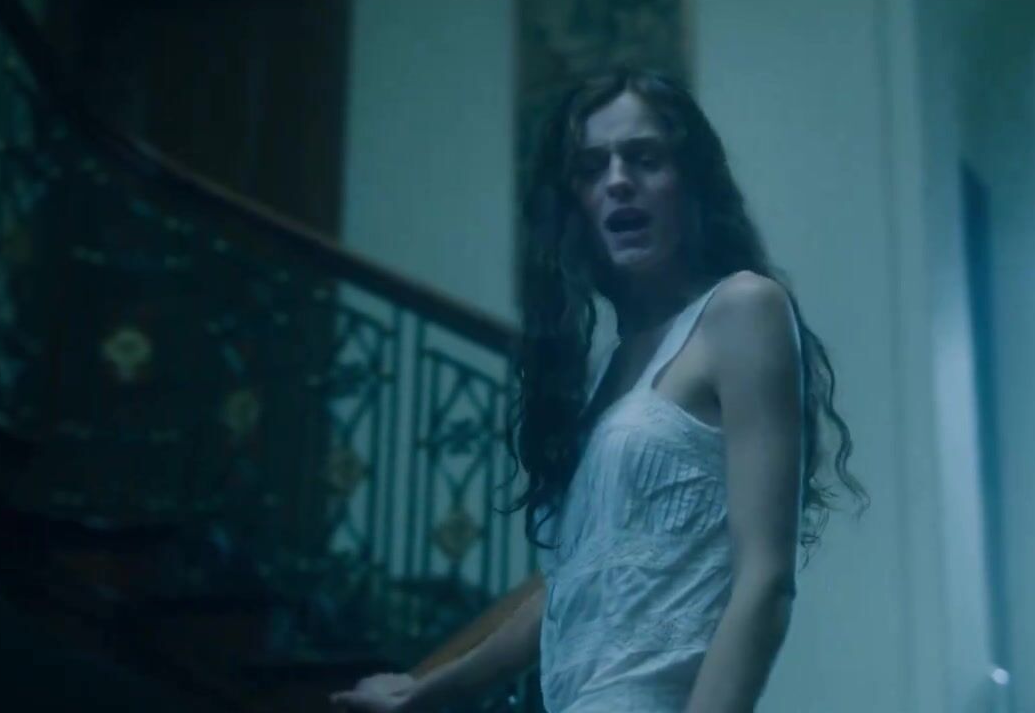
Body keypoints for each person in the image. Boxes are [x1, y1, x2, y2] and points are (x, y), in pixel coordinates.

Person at [331, 68, 867, 713]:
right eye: (591, 168)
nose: (617, 181)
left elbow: (765, 579)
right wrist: (427, 690)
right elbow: (572, 586)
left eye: (645, 159)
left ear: (691, 181)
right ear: (575, 203)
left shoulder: (743, 309)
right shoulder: (610, 370)